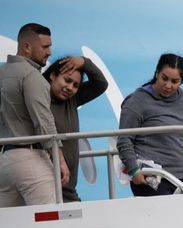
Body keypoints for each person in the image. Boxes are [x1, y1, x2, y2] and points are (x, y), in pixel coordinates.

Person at [117, 53, 183, 197]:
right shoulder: (137, 100)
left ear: (181, 81)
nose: (168, 85)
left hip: (180, 177)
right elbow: (124, 139)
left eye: (175, 81)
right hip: (150, 176)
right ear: (157, 73)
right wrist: (134, 171)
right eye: (164, 78)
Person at [0, 23, 69, 207]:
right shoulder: (31, 76)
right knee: (50, 223)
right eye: (45, 47)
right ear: (27, 47)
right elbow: (44, 122)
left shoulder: (2, 73)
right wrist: (60, 159)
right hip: (30, 159)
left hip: (4, 162)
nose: (50, 52)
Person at [43, 55, 108, 202]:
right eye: (67, 80)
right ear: (53, 75)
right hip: (44, 186)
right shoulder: (37, 100)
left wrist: (85, 62)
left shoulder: (72, 99)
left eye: (76, 85)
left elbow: (101, 84)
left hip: (68, 188)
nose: (70, 88)